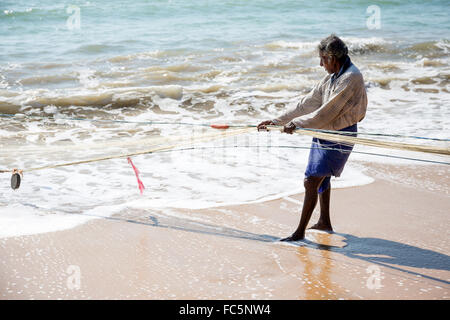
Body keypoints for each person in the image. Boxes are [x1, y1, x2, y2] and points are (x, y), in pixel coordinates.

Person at [257, 34, 368, 241]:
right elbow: (306, 104)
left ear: (333, 58)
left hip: (340, 134)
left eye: (323, 59)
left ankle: (299, 233)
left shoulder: (351, 78)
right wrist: (277, 121)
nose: (320, 64)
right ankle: (324, 221)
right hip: (323, 131)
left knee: (311, 180)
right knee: (320, 178)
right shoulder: (332, 77)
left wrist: (297, 124)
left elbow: (326, 113)